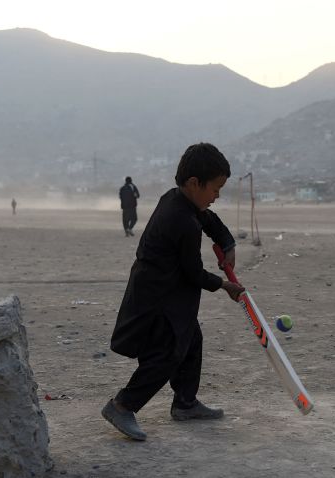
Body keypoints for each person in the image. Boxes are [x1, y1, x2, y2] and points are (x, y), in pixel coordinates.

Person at [102, 143, 246, 441]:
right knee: (166, 354)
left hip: (171, 296)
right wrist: (226, 286)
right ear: (194, 183)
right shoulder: (180, 220)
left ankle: (186, 403)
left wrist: (227, 244)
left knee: (192, 340)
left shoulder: (180, 200)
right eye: (215, 188)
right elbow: (193, 273)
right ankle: (122, 405)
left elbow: (209, 219)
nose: (217, 195)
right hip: (156, 298)